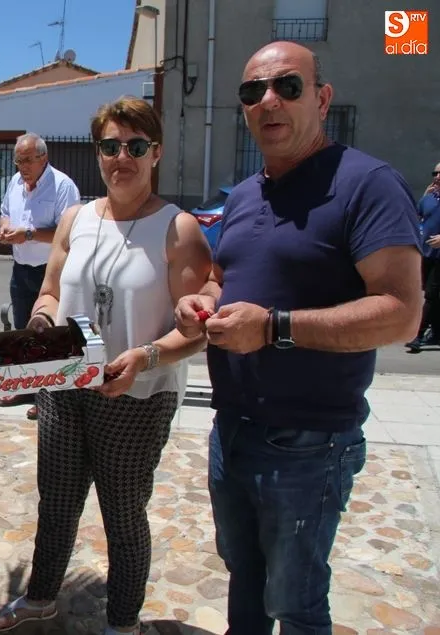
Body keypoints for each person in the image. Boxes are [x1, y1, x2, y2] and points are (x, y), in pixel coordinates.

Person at [173, 42, 422, 635]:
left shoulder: (368, 184)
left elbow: (402, 313)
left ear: (322, 98)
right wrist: (203, 302)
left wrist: (276, 327)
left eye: (287, 86)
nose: (268, 101)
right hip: (231, 431)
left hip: (309, 444)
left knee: (296, 600)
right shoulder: (244, 194)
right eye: (252, 92)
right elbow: (222, 276)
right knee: (244, 577)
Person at [0, 97, 212, 634]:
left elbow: (196, 330)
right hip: (65, 387)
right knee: (57, 502)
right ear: (99, 153)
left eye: (135, 146)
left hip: (138, 396)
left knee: (123, 516)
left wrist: (146, 357)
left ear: (155, 152)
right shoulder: (75, 219)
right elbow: (47, 293)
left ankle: (123, 622)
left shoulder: (177, 230)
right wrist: (40, 327)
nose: (122, 157)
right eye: (111, 146)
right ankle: (41, 596)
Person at [0, 132, 81, 419]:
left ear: (43, 157)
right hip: (21, 269)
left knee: (50, 333)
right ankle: (26, 387)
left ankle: (47, 396)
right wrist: (5, 228)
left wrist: (28, 234)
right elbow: (6, 210)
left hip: (52, 272)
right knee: (22, 329)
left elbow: (67, 233)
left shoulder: (62, 186)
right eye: (18, 161)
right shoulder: (15, 182)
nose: (22, 167)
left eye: (28, 160)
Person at [406, 161, 440, 350]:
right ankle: (436, 333)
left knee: (431, 295)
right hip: (425, 254)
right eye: (434, 172)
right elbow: (417, 218)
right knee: (430, 294)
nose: (437, 176)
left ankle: (417, 336)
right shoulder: (428, 198)